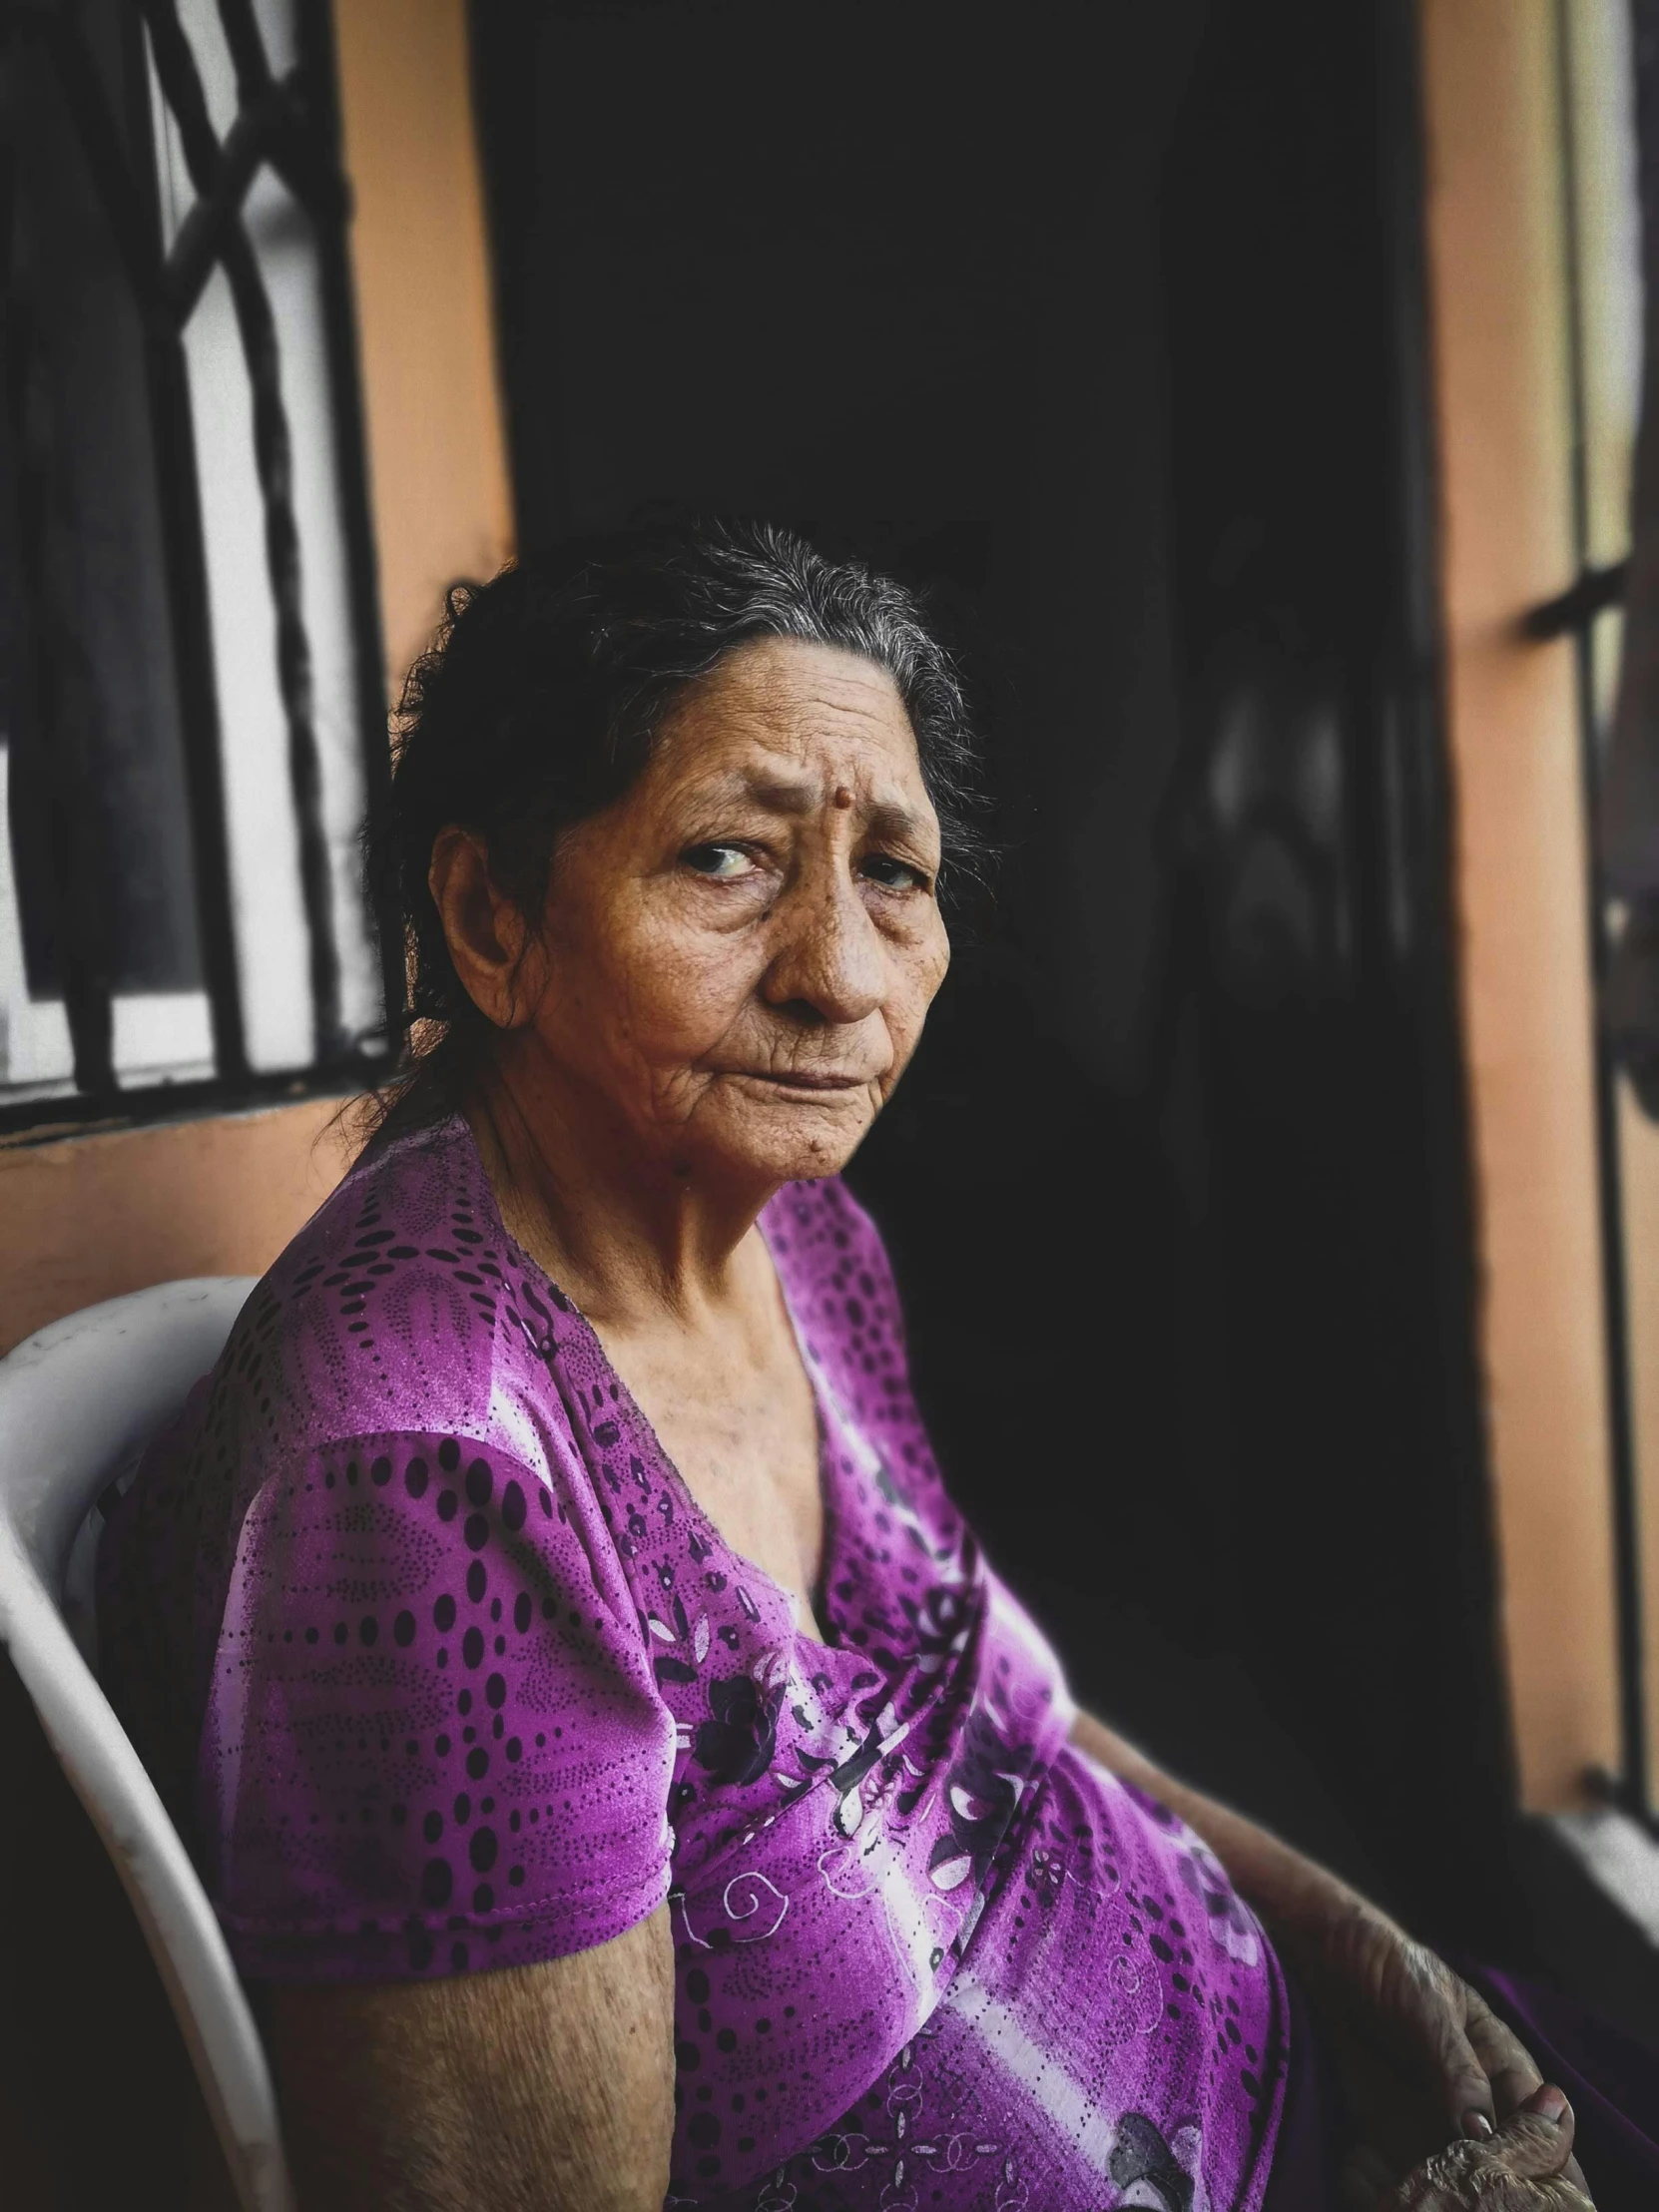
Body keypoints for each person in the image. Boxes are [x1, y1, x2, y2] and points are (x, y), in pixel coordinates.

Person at [99, 522, 1640, 2210]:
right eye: (724, 860)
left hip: (1309, 2078)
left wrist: (1378, 1968)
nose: (840, 976)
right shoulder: (425, 1487)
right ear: (492, 917)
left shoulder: (798, 1240)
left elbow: (1019, 1712)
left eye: (891, 874)